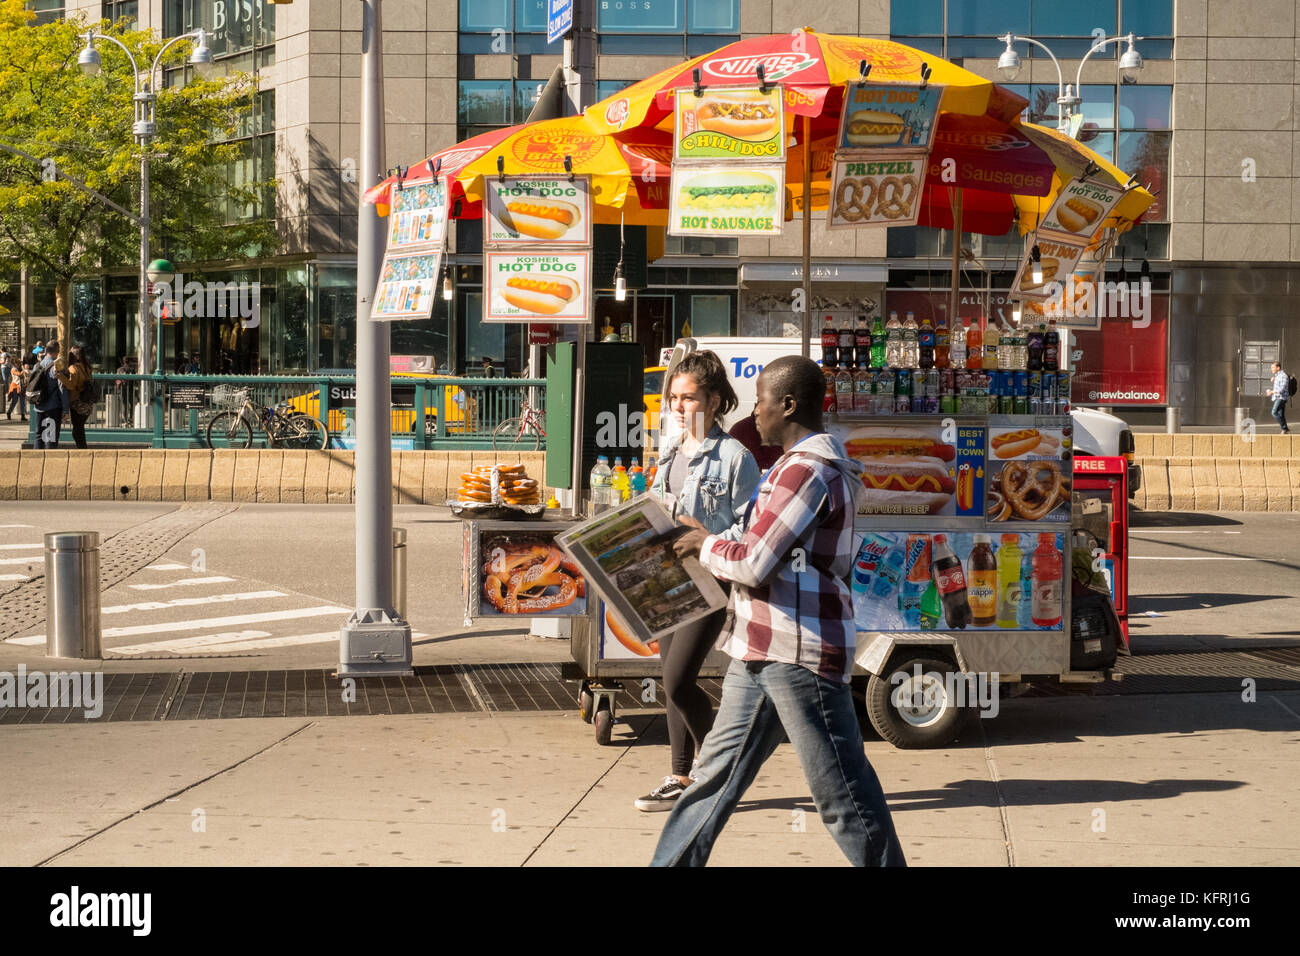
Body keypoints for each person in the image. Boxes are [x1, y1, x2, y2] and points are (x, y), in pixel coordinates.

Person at [650, 355, 906, 867]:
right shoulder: (791, 467)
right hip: (760, 646)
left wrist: (703, 544)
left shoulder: (807, 471)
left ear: (788, 405)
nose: (755, 413)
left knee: (843, 798)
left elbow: (754, 561)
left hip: (798, 652)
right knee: (711, 782)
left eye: (763, 401)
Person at [636, 350, 760, 812]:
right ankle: (681, 775)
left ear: (713, 399)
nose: (678, 407)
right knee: (671, 680)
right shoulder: (671, 450)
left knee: (676, 682)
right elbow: (660, 504)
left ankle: (719, 775)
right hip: (670, 578)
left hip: (710, 579)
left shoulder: (735, 457)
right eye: (673, 398)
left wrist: (707, 536)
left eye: (688, 398)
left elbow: (752, 530)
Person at [30, 340, 67, 449]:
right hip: (53, 406)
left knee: (38, 436)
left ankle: (36, 461)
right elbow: (62, 388)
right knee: (50, 437)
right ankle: (49, 463)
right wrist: (66, 409)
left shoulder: (38, 365)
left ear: (46, 350)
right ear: (58, 351)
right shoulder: (57, 366)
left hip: (39, 404)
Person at [55, 346, 94, 449]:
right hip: (87, 402)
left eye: (71, 354)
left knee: (77, 430)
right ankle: (82, 448)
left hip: (77, 402)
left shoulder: (73, 368)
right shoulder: (87, 367)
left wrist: (59, 376)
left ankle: (82, 450)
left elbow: (71, 385)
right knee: (79, 428)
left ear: (75, 356)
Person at [1266, 361, 1290, 434]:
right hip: (1278, 397)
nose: (1271, 369)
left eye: (1273, 367)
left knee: (1274, 412)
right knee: (1281, 415)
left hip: (1281, 398)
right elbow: (1279, 385)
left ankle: (1284, 427)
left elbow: (1281, 389)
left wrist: (1271, 392)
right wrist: (1274, 380)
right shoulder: (1277, 376)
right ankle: (1284, 430)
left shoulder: (1283, 376)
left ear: (1278, 368)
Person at [5, 355, 28, 421]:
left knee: (22, 401)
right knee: (14, 401)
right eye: (19, 363)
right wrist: (24, 369)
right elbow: (19, 374)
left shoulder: (19, 368)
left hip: (21, 387)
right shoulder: (13, 369)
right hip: (15, 386)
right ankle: (9, 412)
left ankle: (23, 416)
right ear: (15, 363)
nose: (20, 364)